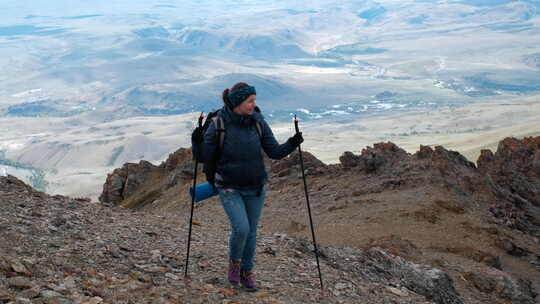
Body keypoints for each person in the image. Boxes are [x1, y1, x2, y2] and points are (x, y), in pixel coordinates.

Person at [201, 82, 303, 291]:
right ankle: (234, 264)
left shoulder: (258, 122)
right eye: (251, 101)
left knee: (252, 232)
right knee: (242, 229)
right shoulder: (219, 123)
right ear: (239, 102)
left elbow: (274, 151)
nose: (254, 105)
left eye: (254, 100)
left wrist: (293, 142)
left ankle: (247, 273)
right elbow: (204, 157)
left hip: (256, 186)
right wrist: (197, 143)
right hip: (229, 186)